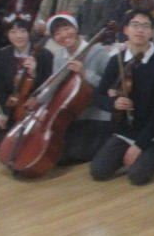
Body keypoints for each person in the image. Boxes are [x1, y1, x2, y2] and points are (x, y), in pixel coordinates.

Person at [90, 9, 154, 185]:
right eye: (135, 25)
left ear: (152, 32)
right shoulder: (117, 61)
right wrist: (113, 103)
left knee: (137, 177)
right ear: (126, 30)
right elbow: (98, 96)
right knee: (98, 172)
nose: (140, 30)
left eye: (145, 26)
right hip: (125, 131)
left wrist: (139, 145)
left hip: (153, 133)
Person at [42, 13, 114, 165]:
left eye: (66, 29)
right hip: (74, 115)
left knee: (77, 154)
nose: (63, 35)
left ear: (75, 28)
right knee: (59, 154)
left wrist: (85, 73)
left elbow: (112, 85)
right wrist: (39, 100)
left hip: (96, 114)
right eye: (57, 33)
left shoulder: (98, 51)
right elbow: (56, 88)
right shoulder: (59, 57)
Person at [0, 16, 54, 147]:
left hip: (36, 105)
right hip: (14, 106)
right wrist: (1, 113)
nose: (18, 36)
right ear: (7, 34)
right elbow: (1, 88)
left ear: (29, 33)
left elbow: (49, 83)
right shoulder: (3, 55)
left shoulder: (43, 54)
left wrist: (34, 74)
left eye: (23, 31)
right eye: (13, 32)